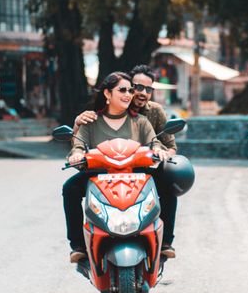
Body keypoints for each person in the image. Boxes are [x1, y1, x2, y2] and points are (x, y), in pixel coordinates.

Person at [75, 64, 182, 257]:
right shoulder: (97, 116)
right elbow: (79, 143)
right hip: (103, 172)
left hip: (140, 169)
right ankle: (79, 246)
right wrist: (77, 135)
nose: (138, 93)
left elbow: (162, 144)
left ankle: (165, 242)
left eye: (148, 89)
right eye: (135, 88)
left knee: (168, 185)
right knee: (70, 189)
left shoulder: (149, 116)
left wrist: (161, 153)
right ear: (109, 94)